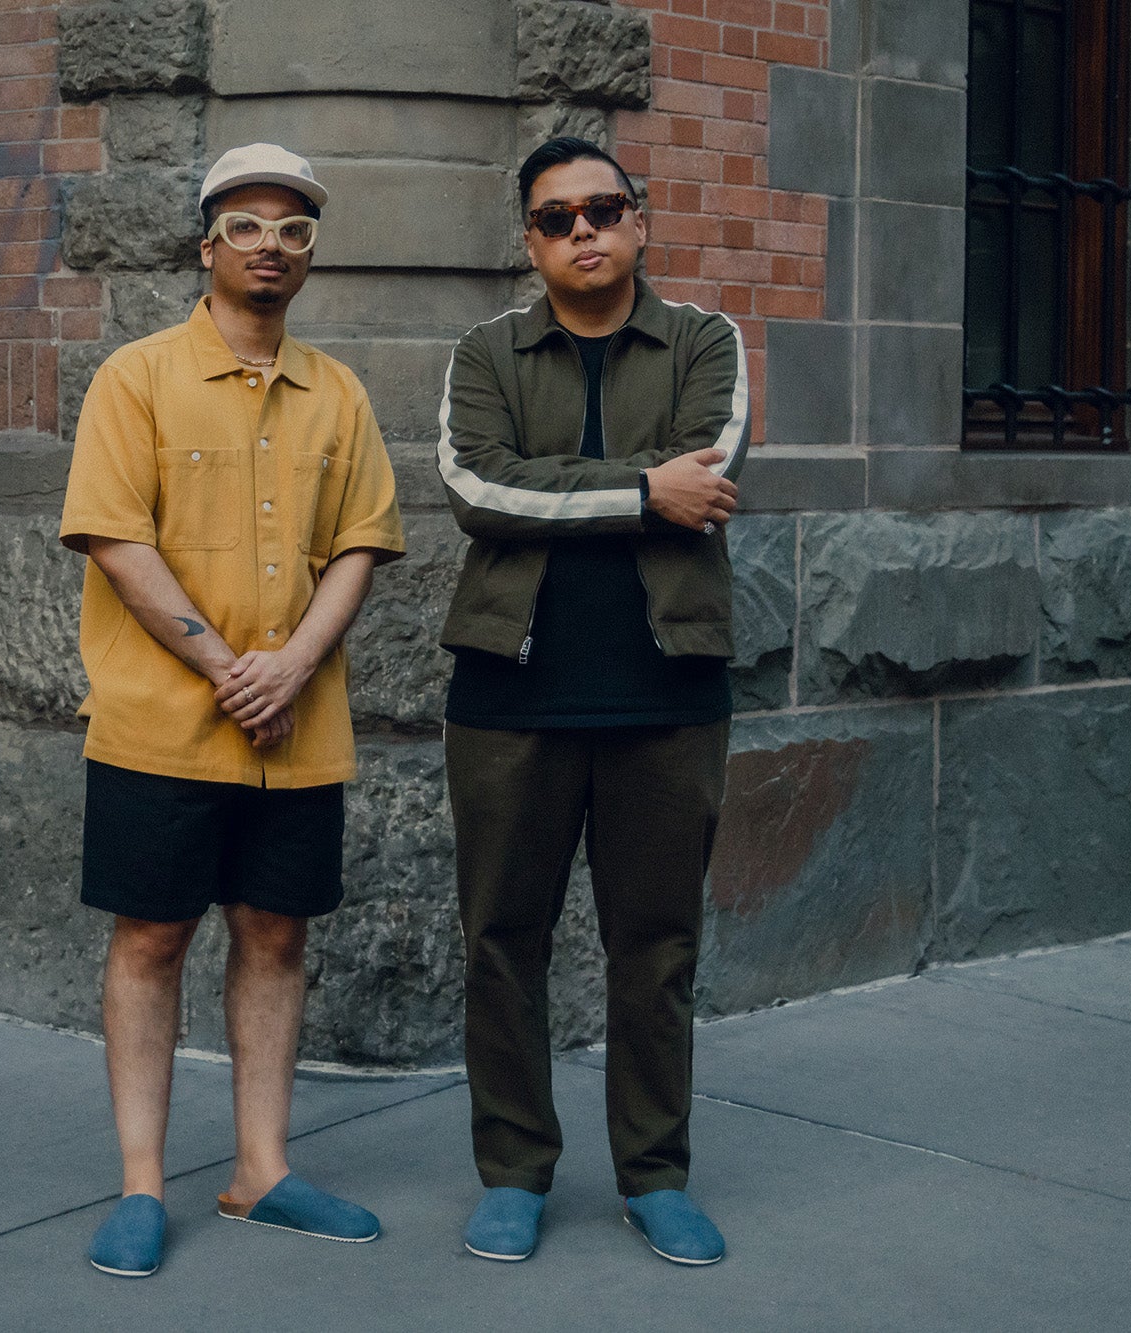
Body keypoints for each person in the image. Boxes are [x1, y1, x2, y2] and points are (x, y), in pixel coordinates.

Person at [58, 143, 406, 1278]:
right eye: (247, 225)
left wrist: (295, 665)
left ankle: (261, 1169)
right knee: (151, 935)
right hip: (163, 721)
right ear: (206, 244)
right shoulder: (136, 377)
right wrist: (226, 668)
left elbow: (359, 543)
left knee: (275, 933)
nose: (270, 245)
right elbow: (116, 537)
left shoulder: (338, 394)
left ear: (310, 252)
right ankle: (143, 1183)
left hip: (295, 727)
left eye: (293, 228)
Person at [436, 136, 748, 1267]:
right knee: (500, 941)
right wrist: (636, 489)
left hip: (665, 692)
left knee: (654, 946)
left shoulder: (705, 341)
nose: (583, 231)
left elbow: (706, 475)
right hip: (509, 693)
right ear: (528, 239)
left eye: (603, 210)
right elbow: (475, 488)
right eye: (557, 217)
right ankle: (513, 1170)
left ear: (638, 222)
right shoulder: (485, 351)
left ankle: (654, 1173)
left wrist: (577, 491)